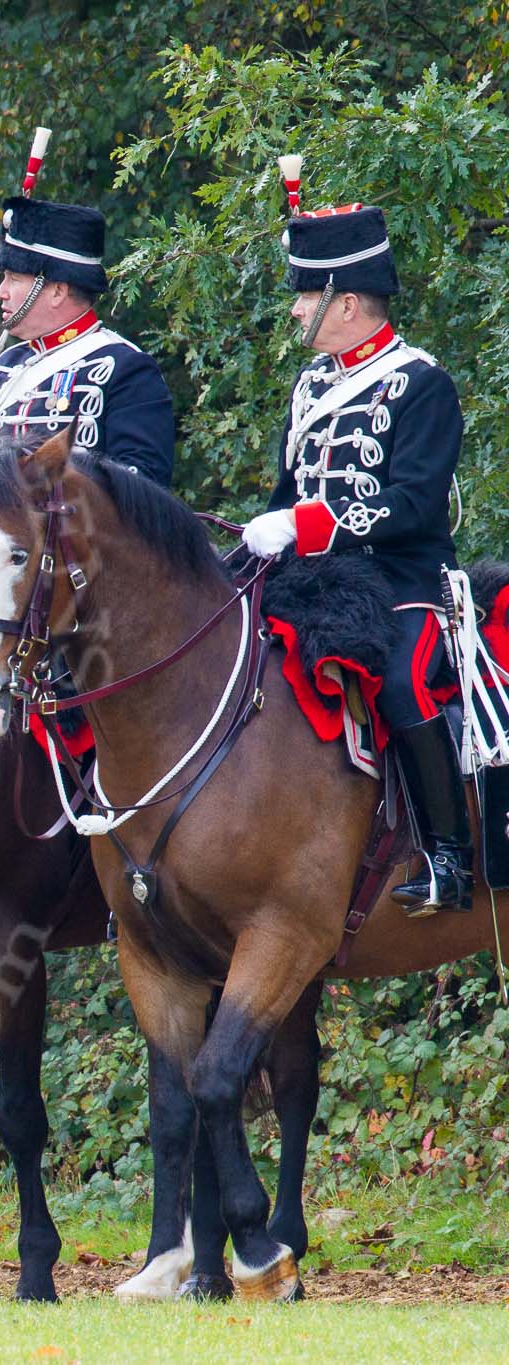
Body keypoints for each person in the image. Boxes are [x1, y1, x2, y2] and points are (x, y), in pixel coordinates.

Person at [239, 190, 468, 915]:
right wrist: (265, 527)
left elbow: (413, 505)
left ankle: (449, 858)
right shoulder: (310, 389)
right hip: (311, 581)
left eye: (308, 294)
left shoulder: (423, 384)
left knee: (401, 682)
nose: (297, 310)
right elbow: (288, 492)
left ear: (347, 302)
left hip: (403, 580)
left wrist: (305, 528)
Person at [0, 194, 176, 487]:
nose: (0, 292)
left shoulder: (126, 370)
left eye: (13, 278)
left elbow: (144, 493)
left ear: (57, 291)